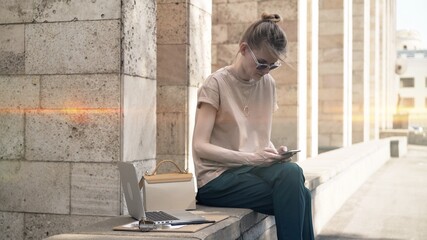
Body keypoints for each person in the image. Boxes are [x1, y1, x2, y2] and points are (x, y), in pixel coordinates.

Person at [192, 13, 315, 240]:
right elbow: (200, 146)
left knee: (292, 171)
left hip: (251, 171)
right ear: (243, 49)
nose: (266, 71)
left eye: (272, 66)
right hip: (217, 179)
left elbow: (256, 137)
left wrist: (272, 153)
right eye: (261, 63)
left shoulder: (268, 84)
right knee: (301, 196)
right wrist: (252, 159)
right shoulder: (215, 84)